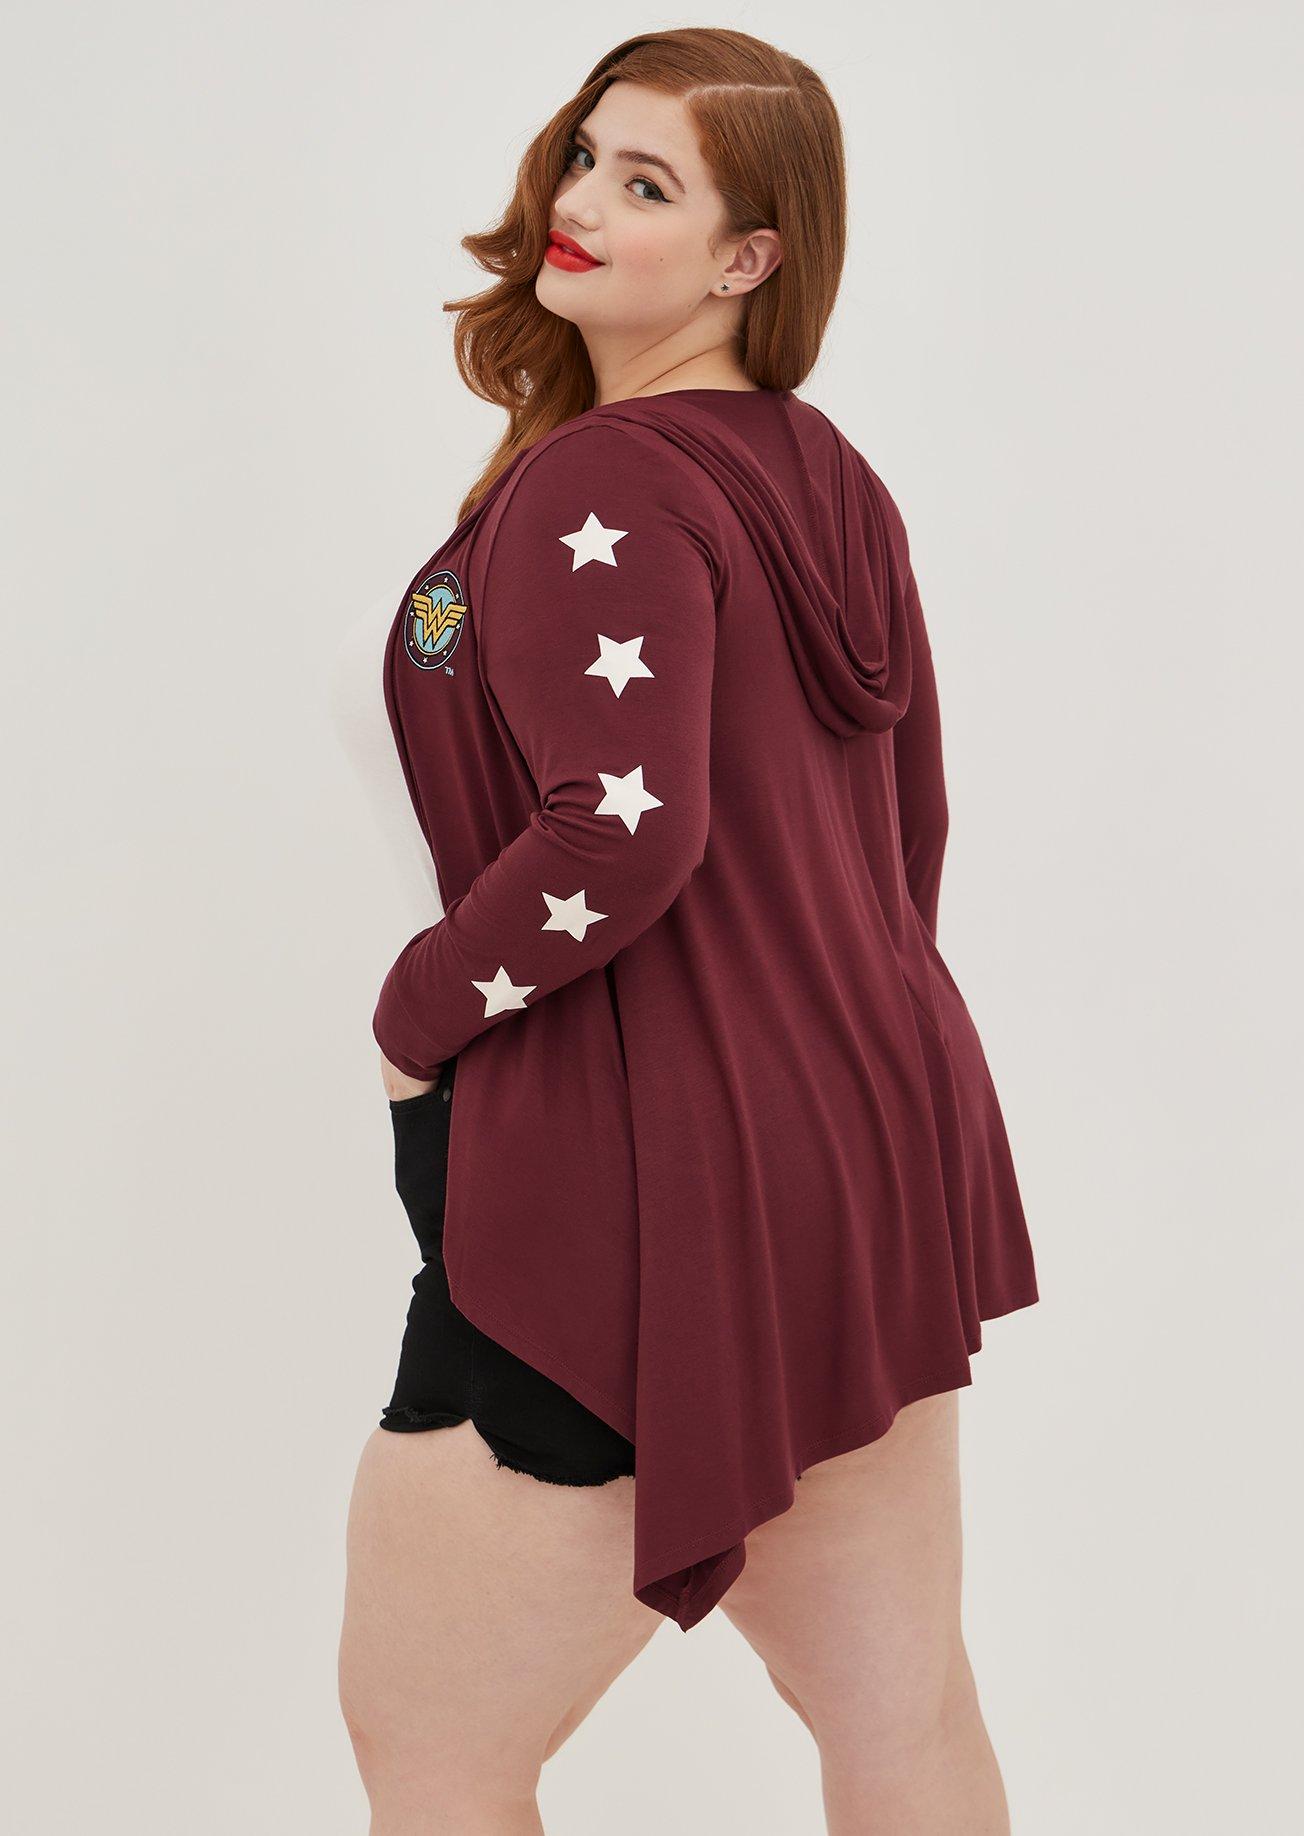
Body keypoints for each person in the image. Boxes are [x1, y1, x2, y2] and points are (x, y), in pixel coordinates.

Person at [331, 26, 1039, 1833]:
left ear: (748, 259)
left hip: (635, 1167)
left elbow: (619, 835)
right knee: (901, 1716)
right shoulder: (827, 475)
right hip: (867, 1155)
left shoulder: (606, 484)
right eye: (586, 153)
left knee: (434, 1749)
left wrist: (412, 1022)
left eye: (648, 185)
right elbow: (906, 837)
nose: (580, 202)